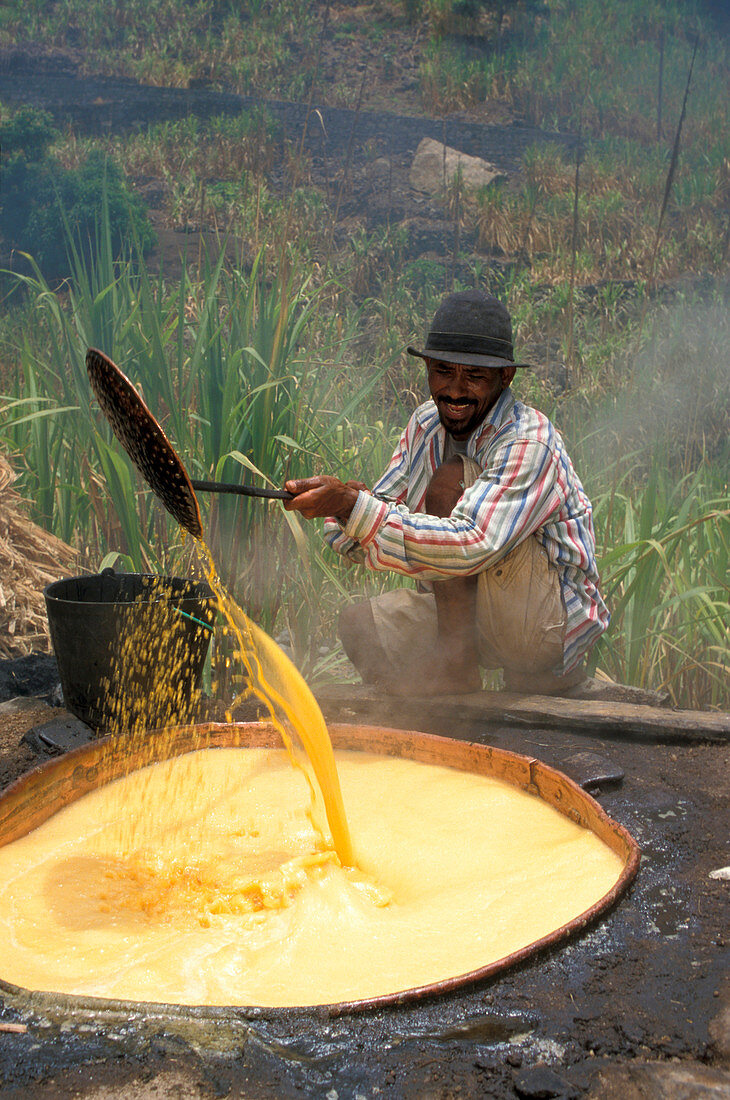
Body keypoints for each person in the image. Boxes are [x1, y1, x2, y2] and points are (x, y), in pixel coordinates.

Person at [283, 289, 609, 696]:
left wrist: (358, 509)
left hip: (542, 628)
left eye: (474, 376)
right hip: (475, 619)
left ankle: (456, 669)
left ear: (505, 378)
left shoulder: (529, 441)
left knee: (450, 482)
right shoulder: (425, 424)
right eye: (442, 371)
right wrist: (344, 509)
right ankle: (440, 697)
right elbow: (370, 522)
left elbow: (473, 543)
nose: (454, 391)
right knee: (361, 626)